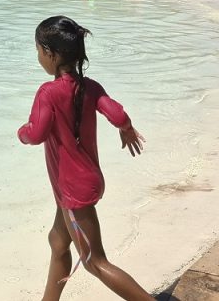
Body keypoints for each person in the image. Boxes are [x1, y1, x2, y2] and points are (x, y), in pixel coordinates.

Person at [17, 16, 150, 301]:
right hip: (81, 183)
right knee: (57, 241)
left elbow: (37, 133)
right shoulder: (90, 87)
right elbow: (118, 115)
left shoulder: (48, 92)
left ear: (50, 54)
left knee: (94, 262)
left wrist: (21, 132)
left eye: (39, 51)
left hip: (73, 189)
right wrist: (126, 130)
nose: (38, 57)